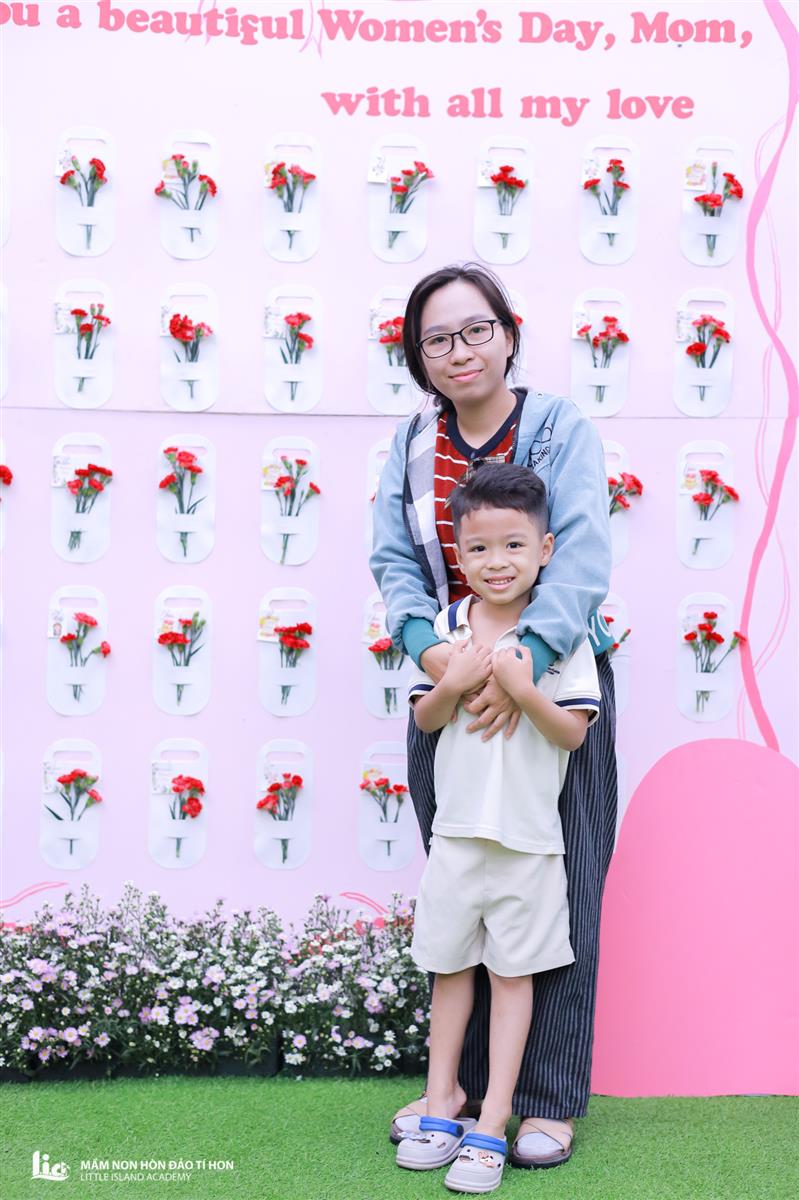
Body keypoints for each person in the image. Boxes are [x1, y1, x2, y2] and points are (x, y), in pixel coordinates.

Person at [369, 263, 617, 1170]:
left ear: (508, 333)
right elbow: (393, 561)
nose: (458, 351)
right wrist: (437, 655)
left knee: (561, 888)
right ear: (416, 356)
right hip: (451, 667)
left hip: (551, 675)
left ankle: (544, 1099)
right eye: (435, 339)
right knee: (463, 889)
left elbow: (580, 553)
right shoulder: (410, 443)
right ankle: (457, 1095)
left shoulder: (559, 427)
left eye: (475, 330)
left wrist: (524, 665)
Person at [394, 462, 601, 1193]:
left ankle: (493, 1118)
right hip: (455, 838)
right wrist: (450, 683)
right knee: (448, 970)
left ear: (546, 549)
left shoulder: (561, 635)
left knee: (513, 979)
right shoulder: (444, 632)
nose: (496, 562)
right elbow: (425, 720)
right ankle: (441, 1100)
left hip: (529, 843)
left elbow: (573, 734)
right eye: (479, 548)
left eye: (514, 545)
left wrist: (522, 687)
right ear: (458, 553)